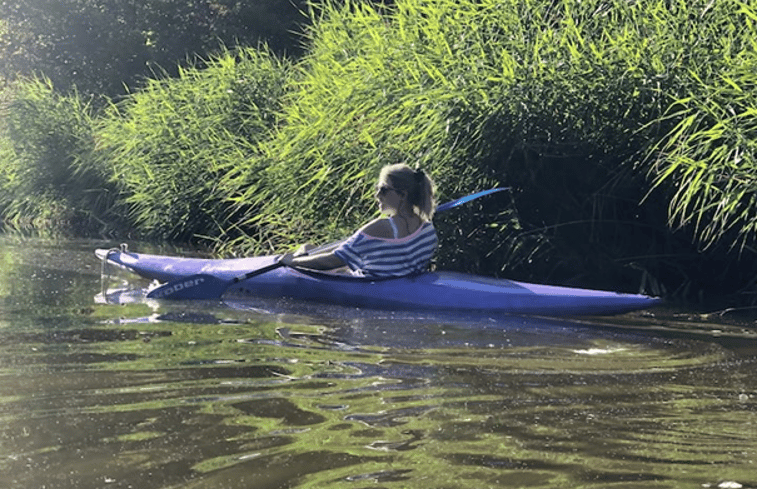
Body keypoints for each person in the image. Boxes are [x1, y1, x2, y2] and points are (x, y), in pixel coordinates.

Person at [279, 163, 438, 278]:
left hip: (371, 286)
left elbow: (334, 260)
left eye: (383, 190)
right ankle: (299, 257)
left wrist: (294, 263)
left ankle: (289, 267)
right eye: (377, 189)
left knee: (306, 249)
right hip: (398, 281)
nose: (377, 195)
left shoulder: (377, 229)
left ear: (403, 195)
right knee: (308, 247)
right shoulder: (427, 229)